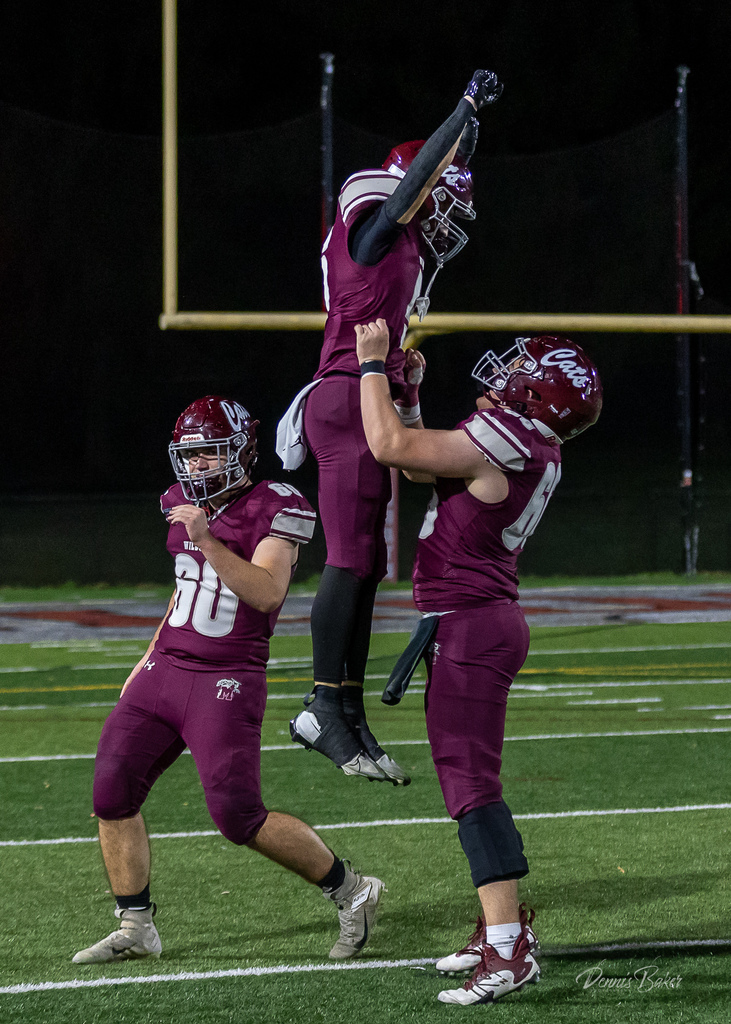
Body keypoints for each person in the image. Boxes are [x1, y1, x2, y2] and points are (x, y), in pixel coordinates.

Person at [72, 395, 384, 965]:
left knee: (236, 814)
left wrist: (209, 539)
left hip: (226, 678)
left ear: (240, 452)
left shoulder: (275, 505)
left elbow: (266, 593)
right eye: (190, 457)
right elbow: (182, 592)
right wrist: (143, 662)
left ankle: (352, 889)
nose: (198, 468)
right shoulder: (178, 501)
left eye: (211, 456)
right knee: (111, 788)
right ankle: (136, 924)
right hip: (165, 669)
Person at [355, 320, 602, 1005]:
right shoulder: (528, 445)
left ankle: (505, 949)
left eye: (521, 370)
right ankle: (496, 928)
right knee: (467, 782)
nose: (503, 375)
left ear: (538, 394)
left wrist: (372, 366)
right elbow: (415, 459)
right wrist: (406, 392)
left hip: (471, 626)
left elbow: (385, 447)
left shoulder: (511, 440)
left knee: (470, 787)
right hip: (474, 621)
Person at [278, 69, 504, 786]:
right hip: (345, 399)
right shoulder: (374, 233)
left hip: (364, 397)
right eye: (442, 199)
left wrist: (470, 132)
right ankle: (320, 704)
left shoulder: (400, 253)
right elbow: (404, 192)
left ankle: (347, 710)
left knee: (369, 565)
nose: (445, 218)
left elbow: (425, 186)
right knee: (347, 560)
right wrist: (461, 107)